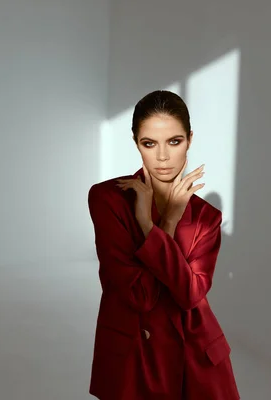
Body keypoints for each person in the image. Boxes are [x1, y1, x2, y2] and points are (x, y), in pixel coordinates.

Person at [87, 90, 240, 399]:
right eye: (149, 143)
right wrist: (163, 225)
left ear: (190, 139)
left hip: (195, 359)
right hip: (134, 359)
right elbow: (140, 296)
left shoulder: (206, 218)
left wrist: (157, 224)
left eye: (174, 141)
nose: (162, 157)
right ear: (135, 143)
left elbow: (190, 294)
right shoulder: (108, 199)